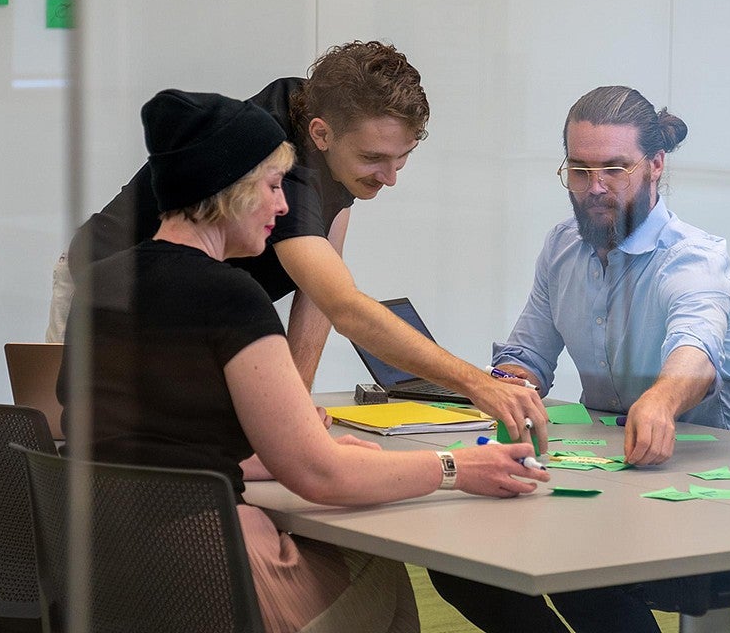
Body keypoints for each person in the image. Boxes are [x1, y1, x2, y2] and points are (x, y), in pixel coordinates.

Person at [57, 90, 550, 633]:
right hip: (211, 573)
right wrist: (457, 467)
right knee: (383, 567)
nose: (284, 206)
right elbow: (322, 477)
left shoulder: (101, 288)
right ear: (232, 190)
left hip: (112, 578)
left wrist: (281, 451)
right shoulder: (230, 297)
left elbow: (139, 448)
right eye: (272, 187)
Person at [50, 40, 547, 447]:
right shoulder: (284, 161)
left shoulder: (326, 123)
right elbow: (345, 305)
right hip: (103, 294)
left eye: (403, 158)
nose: (390, 178)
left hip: (189, 320)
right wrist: (477, 384)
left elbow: (320, 290)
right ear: (321, 134)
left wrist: (295, 408)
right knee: (84, 466)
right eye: (376, 158)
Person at [429, 85, 730, 633]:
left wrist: (660, 400)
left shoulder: (695, 258)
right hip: (602, 476)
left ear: (655, 166)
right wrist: (509, 383)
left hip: (702, 488)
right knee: (460, 562)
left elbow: (696, 355)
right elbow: (527, 352)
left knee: (577, 566)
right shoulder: (562, 247)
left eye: (613, 169)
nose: (593, 188)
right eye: (578, 170)